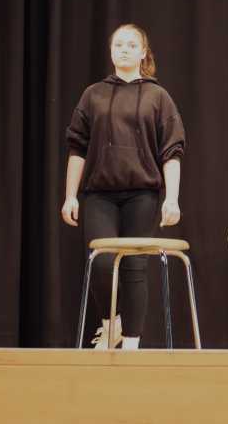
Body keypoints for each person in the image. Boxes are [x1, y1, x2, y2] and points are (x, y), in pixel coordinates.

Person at [63, 23, 186, 350]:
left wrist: (172, 198)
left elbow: (172, 151)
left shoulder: (157, 96)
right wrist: (70, 195)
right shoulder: (94, 94)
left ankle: (132, 346)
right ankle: (111, 325)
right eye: (119, 44)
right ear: (111, 51)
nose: (125, 50)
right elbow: (77, 147)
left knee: (134, 266)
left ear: (143, 52)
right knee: (101, 261)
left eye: (132, 45)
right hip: (100, 193)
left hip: (142, 194)